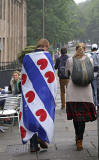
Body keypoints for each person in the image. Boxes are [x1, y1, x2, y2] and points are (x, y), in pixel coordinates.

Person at [20, 38, 57, 152]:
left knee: (32, 116)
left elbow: (23, 75)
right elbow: (51, 78)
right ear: (45, 46)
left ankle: (33, 145)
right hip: (43, 92)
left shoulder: (27, 57)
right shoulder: (47, 56)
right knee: (43, 114)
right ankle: (42, 137)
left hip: (30, 93)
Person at [65, 43, 96, 151]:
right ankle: (80, 141)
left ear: (76, 50)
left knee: (76, 117)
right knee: (82, 119)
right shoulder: (90, 60)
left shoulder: (70, 60)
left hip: (73, 93)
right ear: (84, 50)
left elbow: (67, 73)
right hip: (86, 94)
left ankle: (77, 136)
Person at [90, 44, 99, 108]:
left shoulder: (89, 55)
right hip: (98, 74)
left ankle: (94, 103)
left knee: (93, 90)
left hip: (92, 74)